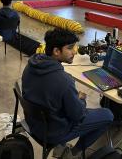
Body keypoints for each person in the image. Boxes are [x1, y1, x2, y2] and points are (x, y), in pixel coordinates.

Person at [22, 28, 113, 159]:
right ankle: (74, 152)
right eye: (70, 48)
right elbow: (78, 115)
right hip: (52, 132)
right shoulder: (64, 81)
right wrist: (80, 99)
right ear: (56, 51)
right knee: (107, 115)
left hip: (34, 122)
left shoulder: (32, 63)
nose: (75, 52)